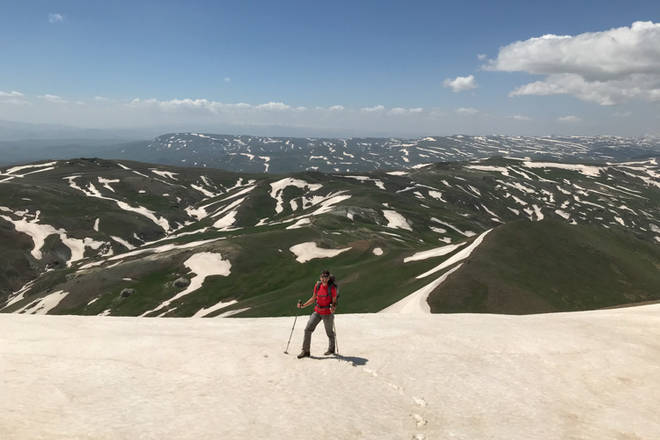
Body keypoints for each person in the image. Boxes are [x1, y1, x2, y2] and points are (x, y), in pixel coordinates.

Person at [296, 269, 337, 358]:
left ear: (329, 278)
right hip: (317, 312)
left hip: (327, 313)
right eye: (322, 277)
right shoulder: (318, 286)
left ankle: (331, 349)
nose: (324, 279)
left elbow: (334, 301)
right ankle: (306, 351)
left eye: (326, 277)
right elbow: (313, 298)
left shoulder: (332, 288)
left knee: (329, 332)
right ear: (320, 277)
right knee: (307, 329)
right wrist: (303, 306)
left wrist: (333, 307)